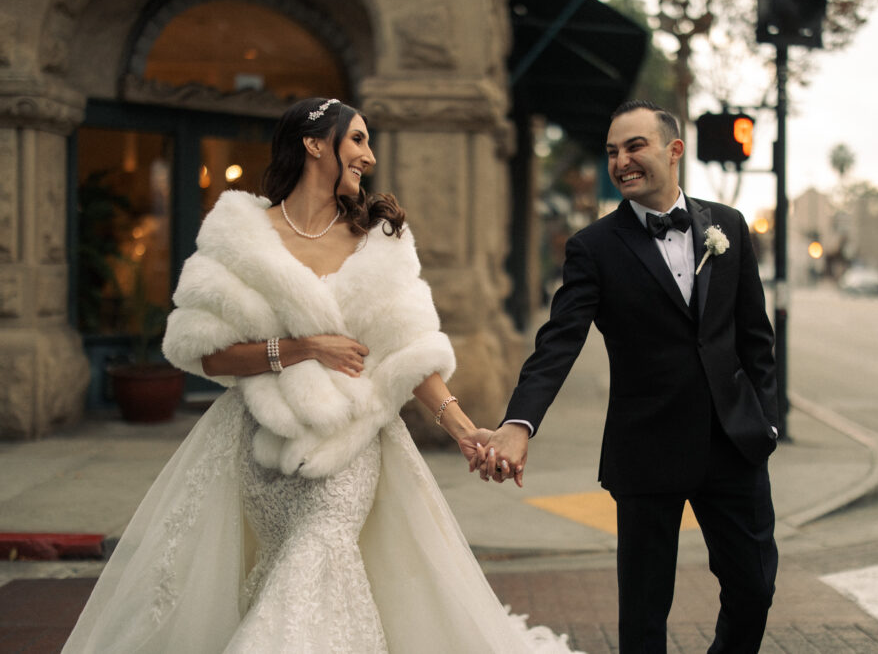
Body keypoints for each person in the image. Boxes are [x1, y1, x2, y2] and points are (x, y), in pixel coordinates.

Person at [63, 97, 581, 653]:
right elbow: (202, 351)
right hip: (259, 444)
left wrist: (464, 430)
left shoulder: (378, 239)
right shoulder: (239, 233)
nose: (370, 155)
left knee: (320, 553)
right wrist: (299, 348)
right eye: (357, 139)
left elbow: (410, 353)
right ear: (314, 143)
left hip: (349, 447)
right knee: (279, 569)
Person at [478, 100, 780, 653]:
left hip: (733, 446)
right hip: (648, 450)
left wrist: (765, 422)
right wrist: (519, 423)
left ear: (673, 149)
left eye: (634, 146)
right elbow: (558, 343)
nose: (621, 161)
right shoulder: (593, 247)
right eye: (613, 151)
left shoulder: (729, 227)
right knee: (643, 617)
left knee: (754, 590)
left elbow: (755, 338)